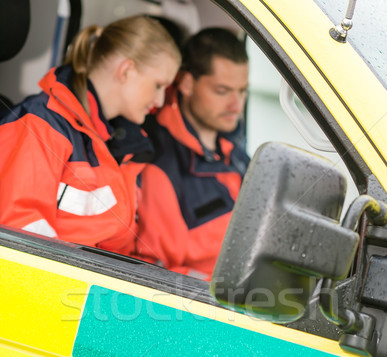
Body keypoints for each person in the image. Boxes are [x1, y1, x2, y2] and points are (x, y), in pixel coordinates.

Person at [0, 16, 180, 255]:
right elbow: (20, 242)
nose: (159, 101)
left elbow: (119, 247)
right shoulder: (40, 126)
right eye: (158, 86)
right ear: (126, 70)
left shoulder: (124, 147)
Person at [134, 27, 250, 279]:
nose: (236, 105)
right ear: (187, 83)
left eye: (242, 91)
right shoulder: (159, 165)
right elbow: (157, 273)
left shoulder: (235, 152)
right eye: (222, 91)